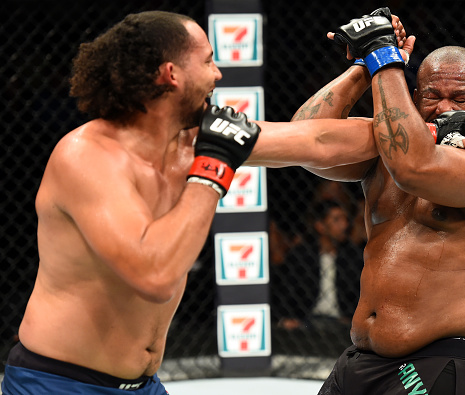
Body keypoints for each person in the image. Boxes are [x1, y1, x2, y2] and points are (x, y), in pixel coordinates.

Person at [0, 10, 396, 395]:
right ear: (170, 74)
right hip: (59, 382)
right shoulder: (88, 158)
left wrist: (377, 68)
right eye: (207, 61)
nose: (218, 74)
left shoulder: (196, 140)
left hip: (143, 383)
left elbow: (319, 141)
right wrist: (212, 170)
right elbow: (154, 276)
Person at [293, 9, 465, 394]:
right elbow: (306, 139)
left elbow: (415, 168)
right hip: (362, 359)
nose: (443, 108)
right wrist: (364, 65)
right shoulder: (386, 151)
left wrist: (386, 59)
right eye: (432, 96)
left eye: (460, 98)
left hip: (442, 362)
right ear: (414, 99)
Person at [272, 199, 364, 331]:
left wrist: (352, 317)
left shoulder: (352, 257)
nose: (345, 224)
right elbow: (286, 290)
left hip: (343, 322)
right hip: (307, 320)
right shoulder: (302, 256)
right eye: (337, 220)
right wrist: (286, 318)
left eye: (345, 219)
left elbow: (358, 294)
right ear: (320, 226)